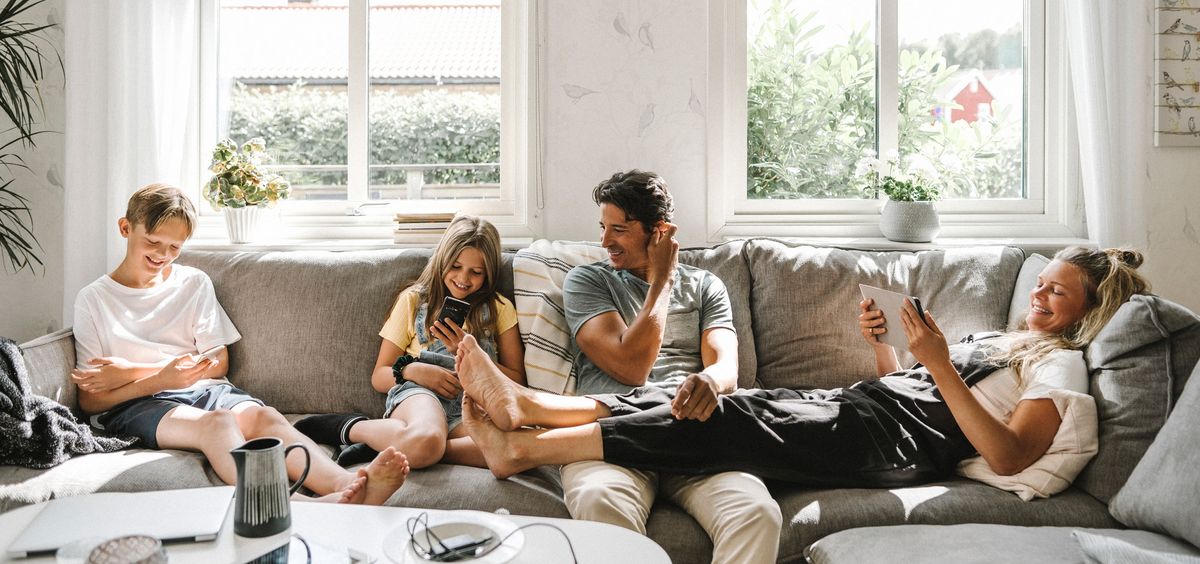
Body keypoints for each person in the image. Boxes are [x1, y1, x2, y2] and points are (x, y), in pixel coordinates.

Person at [454, 246, 1148, 492]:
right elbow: (926, 390)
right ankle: (528, 417)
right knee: (697, 401)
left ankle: (523, 437)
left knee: (712, 417)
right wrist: (890, 351)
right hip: (867, 409)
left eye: (1057, 292)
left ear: (1087, 313)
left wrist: (935, 362)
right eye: (1041, 283)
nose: (1039, 295)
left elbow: (1007, 454)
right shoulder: (1011, 341)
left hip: (883, 445)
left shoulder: (1061, 368)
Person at [70, 184, 409, 505]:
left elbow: (217, 362)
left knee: (266, 417)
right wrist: (161, 380)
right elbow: (91, 400)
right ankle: (296, 505)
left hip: (206, 389)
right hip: (138, 406)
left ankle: (347, 487)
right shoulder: (94, 300)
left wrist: (137, 370)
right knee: (219, 424)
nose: (162, 255)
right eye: (153, 241)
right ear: (125, 228)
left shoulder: (193, 282)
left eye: (174, 247)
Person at [552, 170, 781, 564]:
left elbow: (727, 367)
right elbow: (631, 368)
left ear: (659, 232)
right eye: (603, 227)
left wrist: (709, 380)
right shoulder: (587, 281)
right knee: (597, 499)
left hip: (690, 432)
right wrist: (662, 281)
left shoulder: (707, 285)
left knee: (757, 513)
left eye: (619, 230)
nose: (605, 241)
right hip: (615, 434)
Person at [296, 214, 525, 469]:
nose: (464, 278)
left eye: (476, 272)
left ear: (489, 273)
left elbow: (517, 380)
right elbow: (380, 375)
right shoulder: (414, 301)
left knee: (514, 449)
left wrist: (470, 356)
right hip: (421, 393)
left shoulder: (499, 309)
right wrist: (414, 370)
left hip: (472, 404)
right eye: (456, 266)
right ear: (442, 261)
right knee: (427, 440)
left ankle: (392, 442)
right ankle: (354, 428)